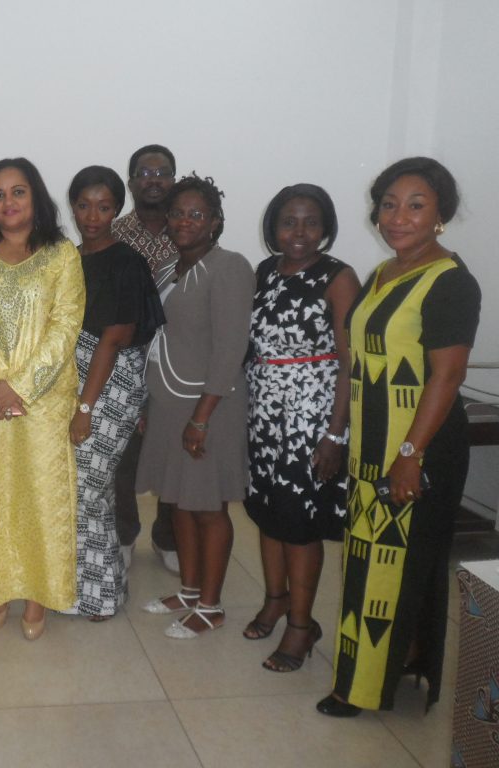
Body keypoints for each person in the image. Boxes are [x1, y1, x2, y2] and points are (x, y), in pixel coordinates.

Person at [317, 157, 480, 717]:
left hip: (418, 445)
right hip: (372, 443)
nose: (398, 216)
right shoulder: (384, 273)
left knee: (401, 561)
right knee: (368, 557)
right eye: (389, 204)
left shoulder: (451, 282)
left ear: (441, 215)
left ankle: (362, 687)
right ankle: (389, 665)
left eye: (416, 205)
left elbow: (448, 375)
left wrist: (410, 455)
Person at [0, 158, 85, 640]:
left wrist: (21, 387)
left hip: (43, 403)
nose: (8, 202)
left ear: (36, 198)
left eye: (18, 191)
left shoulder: (61, 255)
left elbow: (66, 326)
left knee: (42, 497)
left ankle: (38, 596)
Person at [244, 184, 360, 671]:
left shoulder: (338, 277)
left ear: (326, 228)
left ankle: (300, 624)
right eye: (289, 222)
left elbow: (350, 361)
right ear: (273, 226)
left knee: (300, 523)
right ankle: (274, 599)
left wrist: (335, 435)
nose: (299, 232)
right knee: (267, 513)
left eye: (310, 222)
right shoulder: (265, 271)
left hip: (312, 420)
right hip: (264, 413)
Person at [136, 174, 254, 638]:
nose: (185, 221)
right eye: (178, 213)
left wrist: (201, 418)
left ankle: (211, 603)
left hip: (210, 405)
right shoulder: (168, 266)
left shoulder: (230, 267)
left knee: (208, 507)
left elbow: (230, 349)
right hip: (169, 400)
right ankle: (187, 590)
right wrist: (150, 401)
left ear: (215, 222)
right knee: (179, 502)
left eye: (196, 214)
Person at [63, 166, 162, 620]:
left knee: (88, 488)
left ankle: (100, 595)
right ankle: (89, 587)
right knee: (84, 490)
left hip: (110, 385)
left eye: (104, 206)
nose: (93, 215)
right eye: (84, 205)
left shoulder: (127, 261)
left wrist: (86, 406)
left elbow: (115, 337)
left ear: (117, 209)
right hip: (76, 381)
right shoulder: (70, 257)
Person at [111, 144, 181, 574]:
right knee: (121, 455)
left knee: (175, 457)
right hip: (128, 361)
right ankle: (123, 534)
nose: (154, 179)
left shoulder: (191, 229)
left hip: (179, 366)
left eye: (163, 172)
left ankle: (167, 536)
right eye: (144, 172)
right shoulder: (115, 233)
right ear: (132, 180)